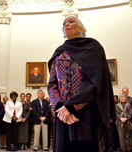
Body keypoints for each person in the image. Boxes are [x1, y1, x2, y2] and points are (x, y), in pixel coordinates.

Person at [47, 16, 115, 152]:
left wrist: (72, 106)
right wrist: (61, 107)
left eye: (71, 22)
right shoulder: (59, 52)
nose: (66, 24)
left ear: (81, 29)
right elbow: (52, 85)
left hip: (85, 114)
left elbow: (94, 81)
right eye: (64, 23)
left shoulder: (93, 48)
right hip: (62, 116)